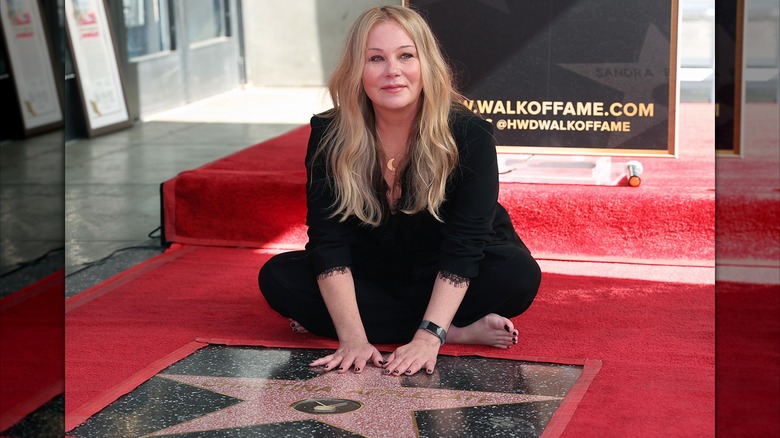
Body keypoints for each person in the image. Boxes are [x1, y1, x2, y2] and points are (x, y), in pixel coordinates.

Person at [258, 4, 541, 377]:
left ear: (426, 63)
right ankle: (454, 330)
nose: (392, 71)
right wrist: (352, 337)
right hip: (373, 267)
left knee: (518, 275)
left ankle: (430, 327)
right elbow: (328, 241)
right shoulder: (330, 134)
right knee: (278, 278)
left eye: (406, 55)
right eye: (375, 58)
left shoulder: (470, 133)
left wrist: (427, 338)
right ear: (357, 70)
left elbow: (465, 245)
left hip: (451, 265)